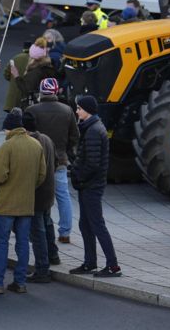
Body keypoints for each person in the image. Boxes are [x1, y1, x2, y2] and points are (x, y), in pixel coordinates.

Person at [0, 108, 46, 295]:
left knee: (2, 244)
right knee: (23, 243)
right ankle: (20, 282)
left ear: (9, 129)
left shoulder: (7, 147)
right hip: (26, 204)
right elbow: (41, 175)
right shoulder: (36, 145)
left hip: (6, 205)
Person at [69, 95, 121, 278]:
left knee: (97, 225)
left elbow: (92, 163)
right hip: (88, 185)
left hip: (91, 186)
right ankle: (90, 262)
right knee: (85, 225)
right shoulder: (91, 127)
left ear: (87, 110)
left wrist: (79, 178)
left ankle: (113, 266)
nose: (77, 111)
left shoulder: (93, 131)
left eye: (79, 108)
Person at [25, 77, 79, 245]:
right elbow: (75, 136)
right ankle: (64, 233)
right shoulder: (67, 110)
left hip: (37, 159)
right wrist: (67, 151)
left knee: (35, 195)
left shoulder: (32, 110)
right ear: (56, 91)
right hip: (60, 159)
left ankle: (32, 230)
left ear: (41, 92)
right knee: (63, 195)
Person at [23, 111, 59, 283]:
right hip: (49, 191)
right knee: (48, 223)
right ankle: (53, 255)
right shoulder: (47, 139)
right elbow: (57, 162)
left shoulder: (31, 143)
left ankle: (42, 269)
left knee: (37, 232)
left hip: (37, 193)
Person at [11, 38, 56, 108]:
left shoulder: (36, 71)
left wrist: (16, 76)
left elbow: (27, 89)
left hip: (34, 106)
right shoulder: (49, 67)